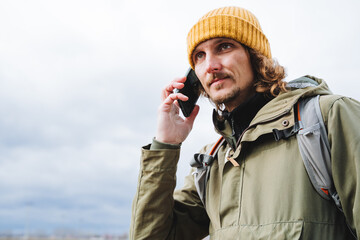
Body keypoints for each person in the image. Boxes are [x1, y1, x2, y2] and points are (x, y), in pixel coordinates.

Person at [130, 6, 360, 239]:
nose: (210, 66)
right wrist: (165, 144)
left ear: (255, 55)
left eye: (224, 46)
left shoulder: (328, 118)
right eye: (200, 56)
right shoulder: (210, 164)